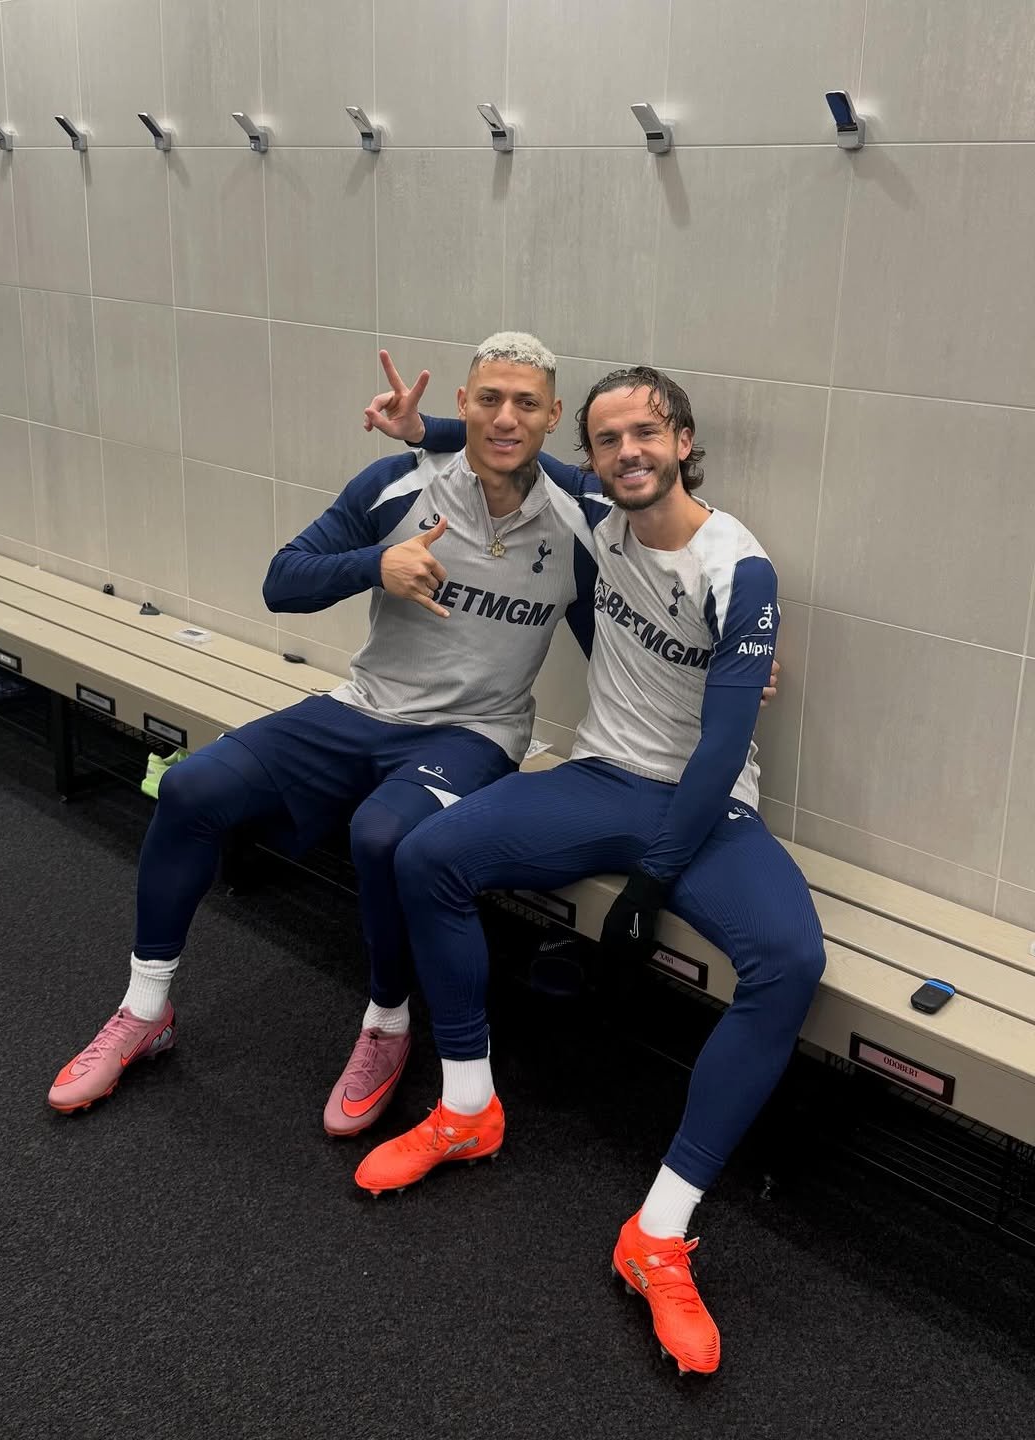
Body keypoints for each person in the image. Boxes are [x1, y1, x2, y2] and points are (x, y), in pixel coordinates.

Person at [356, 367, 826, 1376]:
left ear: (685, 439)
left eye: (646, 434)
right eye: (608, 439)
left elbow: (720, 748)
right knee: (427, 853)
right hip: (600, 774)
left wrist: (652, 888)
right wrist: (421, 425)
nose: (627, 454)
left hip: (705, 807)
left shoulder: (738, 567)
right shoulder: (597, 513)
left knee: (789, 960)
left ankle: (659, 1231)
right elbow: (507, 443)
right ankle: (469, 1105)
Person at [47, 334, 610, 1129]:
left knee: (383, 835)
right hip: (362, 706)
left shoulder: (581, 518)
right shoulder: (398, 484)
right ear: (463, 403)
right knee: (189, 786)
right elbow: (283, 580)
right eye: (488, 399)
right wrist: (374, 566)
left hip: (473, 732)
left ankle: (386, 1021)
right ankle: (145, 1012)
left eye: (526, 402)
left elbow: (621, 621)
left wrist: (723, 669)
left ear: (554, 416)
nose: (506, 417)